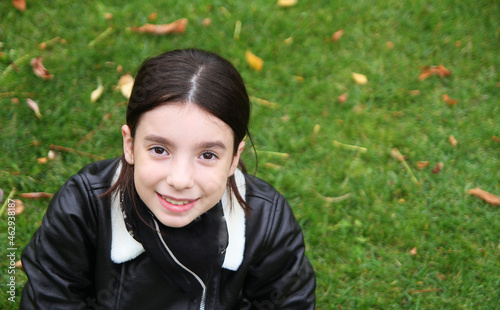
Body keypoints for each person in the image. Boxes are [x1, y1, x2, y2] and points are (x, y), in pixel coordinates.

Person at [20, 48, 316, 309]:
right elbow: (50, 299)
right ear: (129, 145)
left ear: (234, 159)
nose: (180, 179)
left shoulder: (267, 222)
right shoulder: (82, 208)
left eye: (208, 155)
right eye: (160, 149)